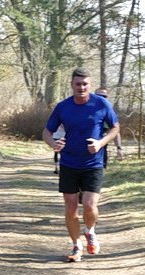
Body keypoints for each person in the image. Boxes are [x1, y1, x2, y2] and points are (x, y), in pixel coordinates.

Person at [43, 68, 120, 262]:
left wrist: (101, 143)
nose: (81, 87)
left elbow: (115, 127)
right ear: (71, 85)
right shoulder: (63, 107)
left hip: (93, 163)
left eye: (85, 84)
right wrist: (53, 144)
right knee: (70, 209)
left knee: (89, 205)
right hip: (69, 162)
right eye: (78, 84)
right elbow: (46, 131)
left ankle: (90, 230)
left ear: (90, 85)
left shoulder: (101, 104)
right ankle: (77, 246)